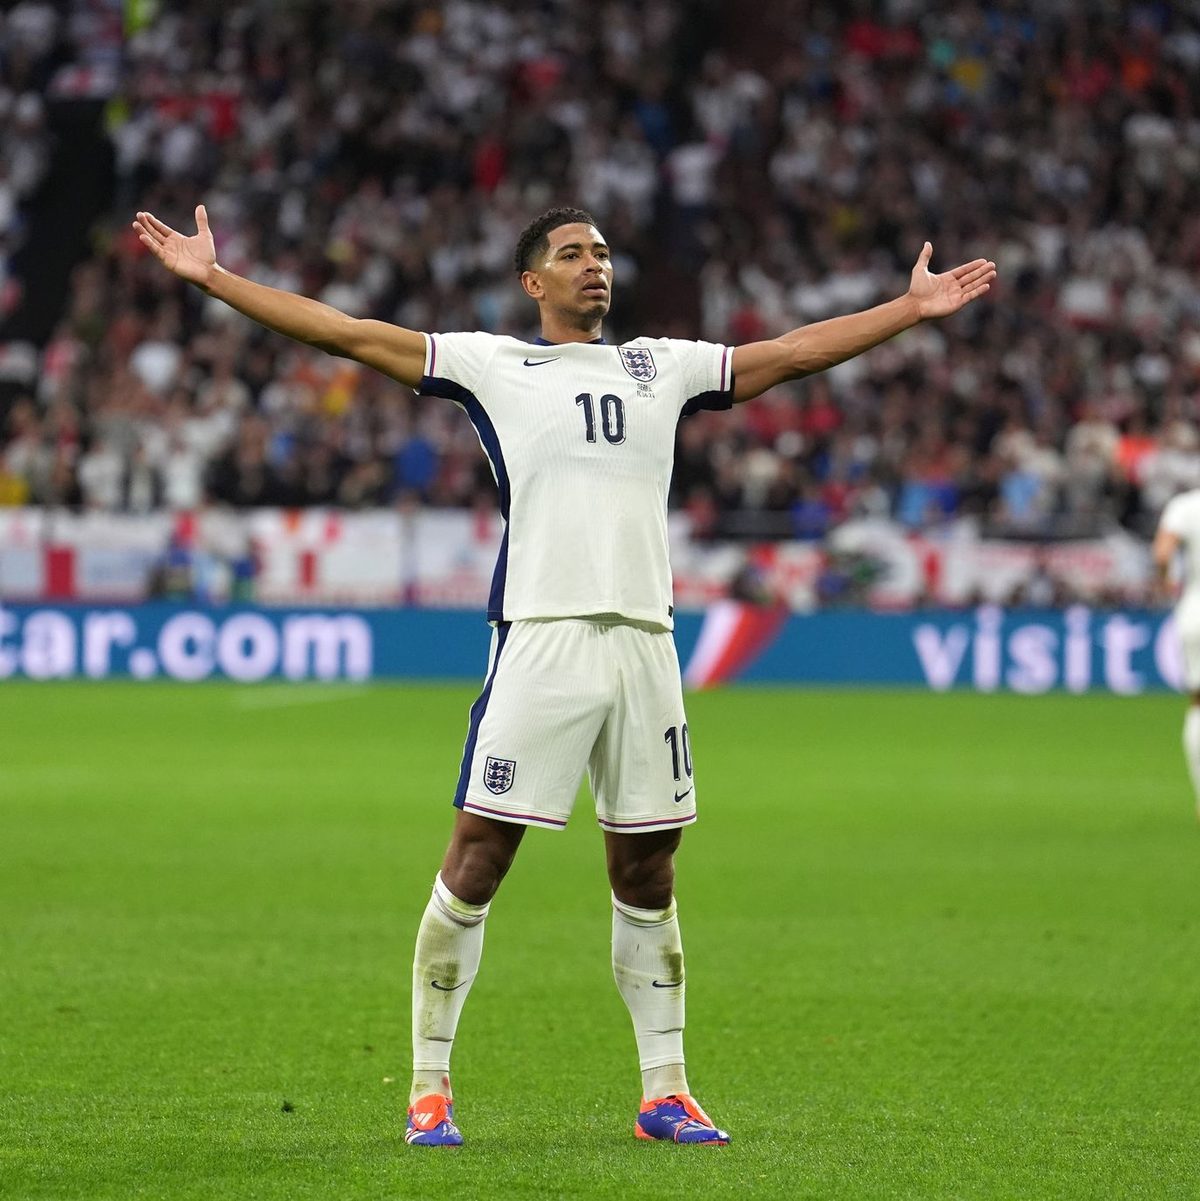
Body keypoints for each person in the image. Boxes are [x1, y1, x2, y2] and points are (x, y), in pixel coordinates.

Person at [132, 202, 995, 1147]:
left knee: (649, 866)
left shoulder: (660, 365)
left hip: (644, 642)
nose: (596, 266)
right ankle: (429, 1088)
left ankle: (665, 1091)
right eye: (573, 254)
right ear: (532, 282)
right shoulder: (490, 364)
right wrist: (216, 281)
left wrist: (905, 311)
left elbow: (787, 353)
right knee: (479, 857)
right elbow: (343, 332)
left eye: (604, 252)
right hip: (541, 635)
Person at [1153, 488, 1200, 814]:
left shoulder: (1185, 505)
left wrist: (1165, 582)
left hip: (1195, 613)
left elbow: (1162, 554)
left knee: (1197, 703)